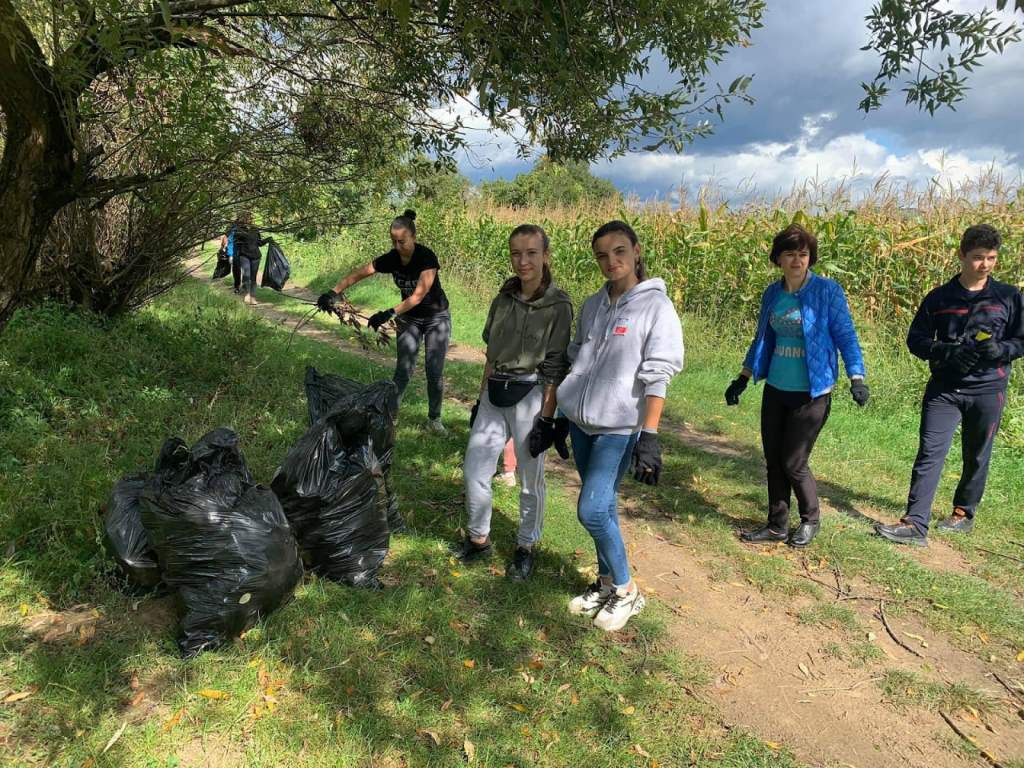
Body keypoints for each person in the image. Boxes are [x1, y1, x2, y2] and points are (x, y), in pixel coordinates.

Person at [557, 220, 683, 632]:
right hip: (581, 423)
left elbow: (657, 372)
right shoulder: (593, 305)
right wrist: (559, 413)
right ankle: (607, 582)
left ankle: (628, 591)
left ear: (636, 251)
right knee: (605, 506)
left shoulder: (656, 307)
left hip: (619, 427)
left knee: (591, 509)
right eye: (602, 255)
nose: (611, 262)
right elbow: (578, 358)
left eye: (619, 252)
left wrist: (649, 434)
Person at [876, 224, 1024, 547]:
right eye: (977, 257)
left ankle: (963, 513)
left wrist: (1001, 350)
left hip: (989, 391)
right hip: (944, 390)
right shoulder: (939, 298)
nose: (984, 264)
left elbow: (1020, 341)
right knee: (930, 453)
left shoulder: (1009, 297)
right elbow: (915, 339)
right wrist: (944, 351)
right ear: (961, 255)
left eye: (991, 258)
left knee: (977, 455)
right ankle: (915, 524)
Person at [726, 223, 869, 549]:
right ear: (778, 258)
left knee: (793, 461)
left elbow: (846, 336)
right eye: (789, 254)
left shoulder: (827, 292)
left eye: (802, 254)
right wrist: (743, 378)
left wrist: (857, 378)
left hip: (812, 392)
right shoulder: (773, 294)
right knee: (774, 461)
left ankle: (810, 520)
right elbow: (762, 339)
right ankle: (776, 525)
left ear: (810, 258)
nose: (796, 260)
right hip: (776, 387)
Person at [451, 224, 573, 581]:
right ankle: (478, 539)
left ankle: (525, 546)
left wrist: (547, 420)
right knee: (475, 468)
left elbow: (555, 367)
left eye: (531, 253)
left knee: (529, 478)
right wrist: (479, 398)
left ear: (545, 256)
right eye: (516, 254)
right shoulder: (502, 299)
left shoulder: (559, 305)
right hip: (495, 392)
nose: (523, 261)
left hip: (531, 394)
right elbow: (491, 352)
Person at [318, 210, 451, 433]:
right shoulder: (392, 258)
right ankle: (391, 416)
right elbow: (361, 272)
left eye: (403, 241)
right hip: (409, 318)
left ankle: (434, 419)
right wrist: (334, 291)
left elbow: (418, 296)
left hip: (436, 317)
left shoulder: (426, 258)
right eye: (394, 241)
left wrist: (388, 313)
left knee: (434, 371)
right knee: (403, 369)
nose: (398, 246)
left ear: (413, 237)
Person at [233, 212, 269, 305]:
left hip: (256, 256)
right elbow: (235, 242)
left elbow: (259, 243)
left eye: (249, 218)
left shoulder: (255, 230)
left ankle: (253, 297)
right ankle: (246, 294)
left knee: (253, 278)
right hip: (244, 255)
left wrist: (268, 240)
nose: (248, 220)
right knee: (247, 275)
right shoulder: (238, 230)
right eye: (246, 218)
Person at [220, 222, 240, 294]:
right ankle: (238, 286)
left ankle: (237, 286)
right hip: (238, 253)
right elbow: (227, 242)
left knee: (236, 270)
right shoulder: (236, 230)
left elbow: (225, 243)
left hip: (235, 254)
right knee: (237, 270)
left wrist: (229, 253)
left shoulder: (230, 231)